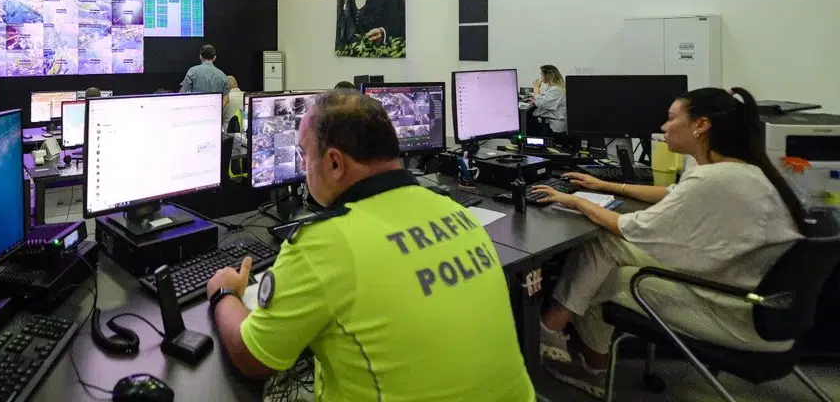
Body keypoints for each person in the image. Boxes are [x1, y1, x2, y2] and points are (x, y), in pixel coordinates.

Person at [205, 91, 535, 401]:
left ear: (334, 163)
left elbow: (254, 358)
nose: (303, 168)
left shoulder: (324, 243)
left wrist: (225, 292)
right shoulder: (455, 212)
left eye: (304, 155)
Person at [531, 87, 808, 396]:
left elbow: (628, 226)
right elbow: (672, 194)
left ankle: (567, 350)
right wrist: (607, 185)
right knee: (603, 247)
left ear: (701, 125)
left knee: (604, 276)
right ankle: (560, 338)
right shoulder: (742, 170)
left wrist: (575, 201)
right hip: (764, 309)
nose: (663, 127)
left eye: (671, 118)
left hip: (739, 317)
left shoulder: (713, 179)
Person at [528, 64, 567, 134]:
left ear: (548, 76)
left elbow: (540, 103)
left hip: (554, 126)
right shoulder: (555, 88)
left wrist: (536, 87)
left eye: (542, 75)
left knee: (528, 119)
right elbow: (544, 101)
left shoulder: (556, 89)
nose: (541, 77)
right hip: (551, 121)